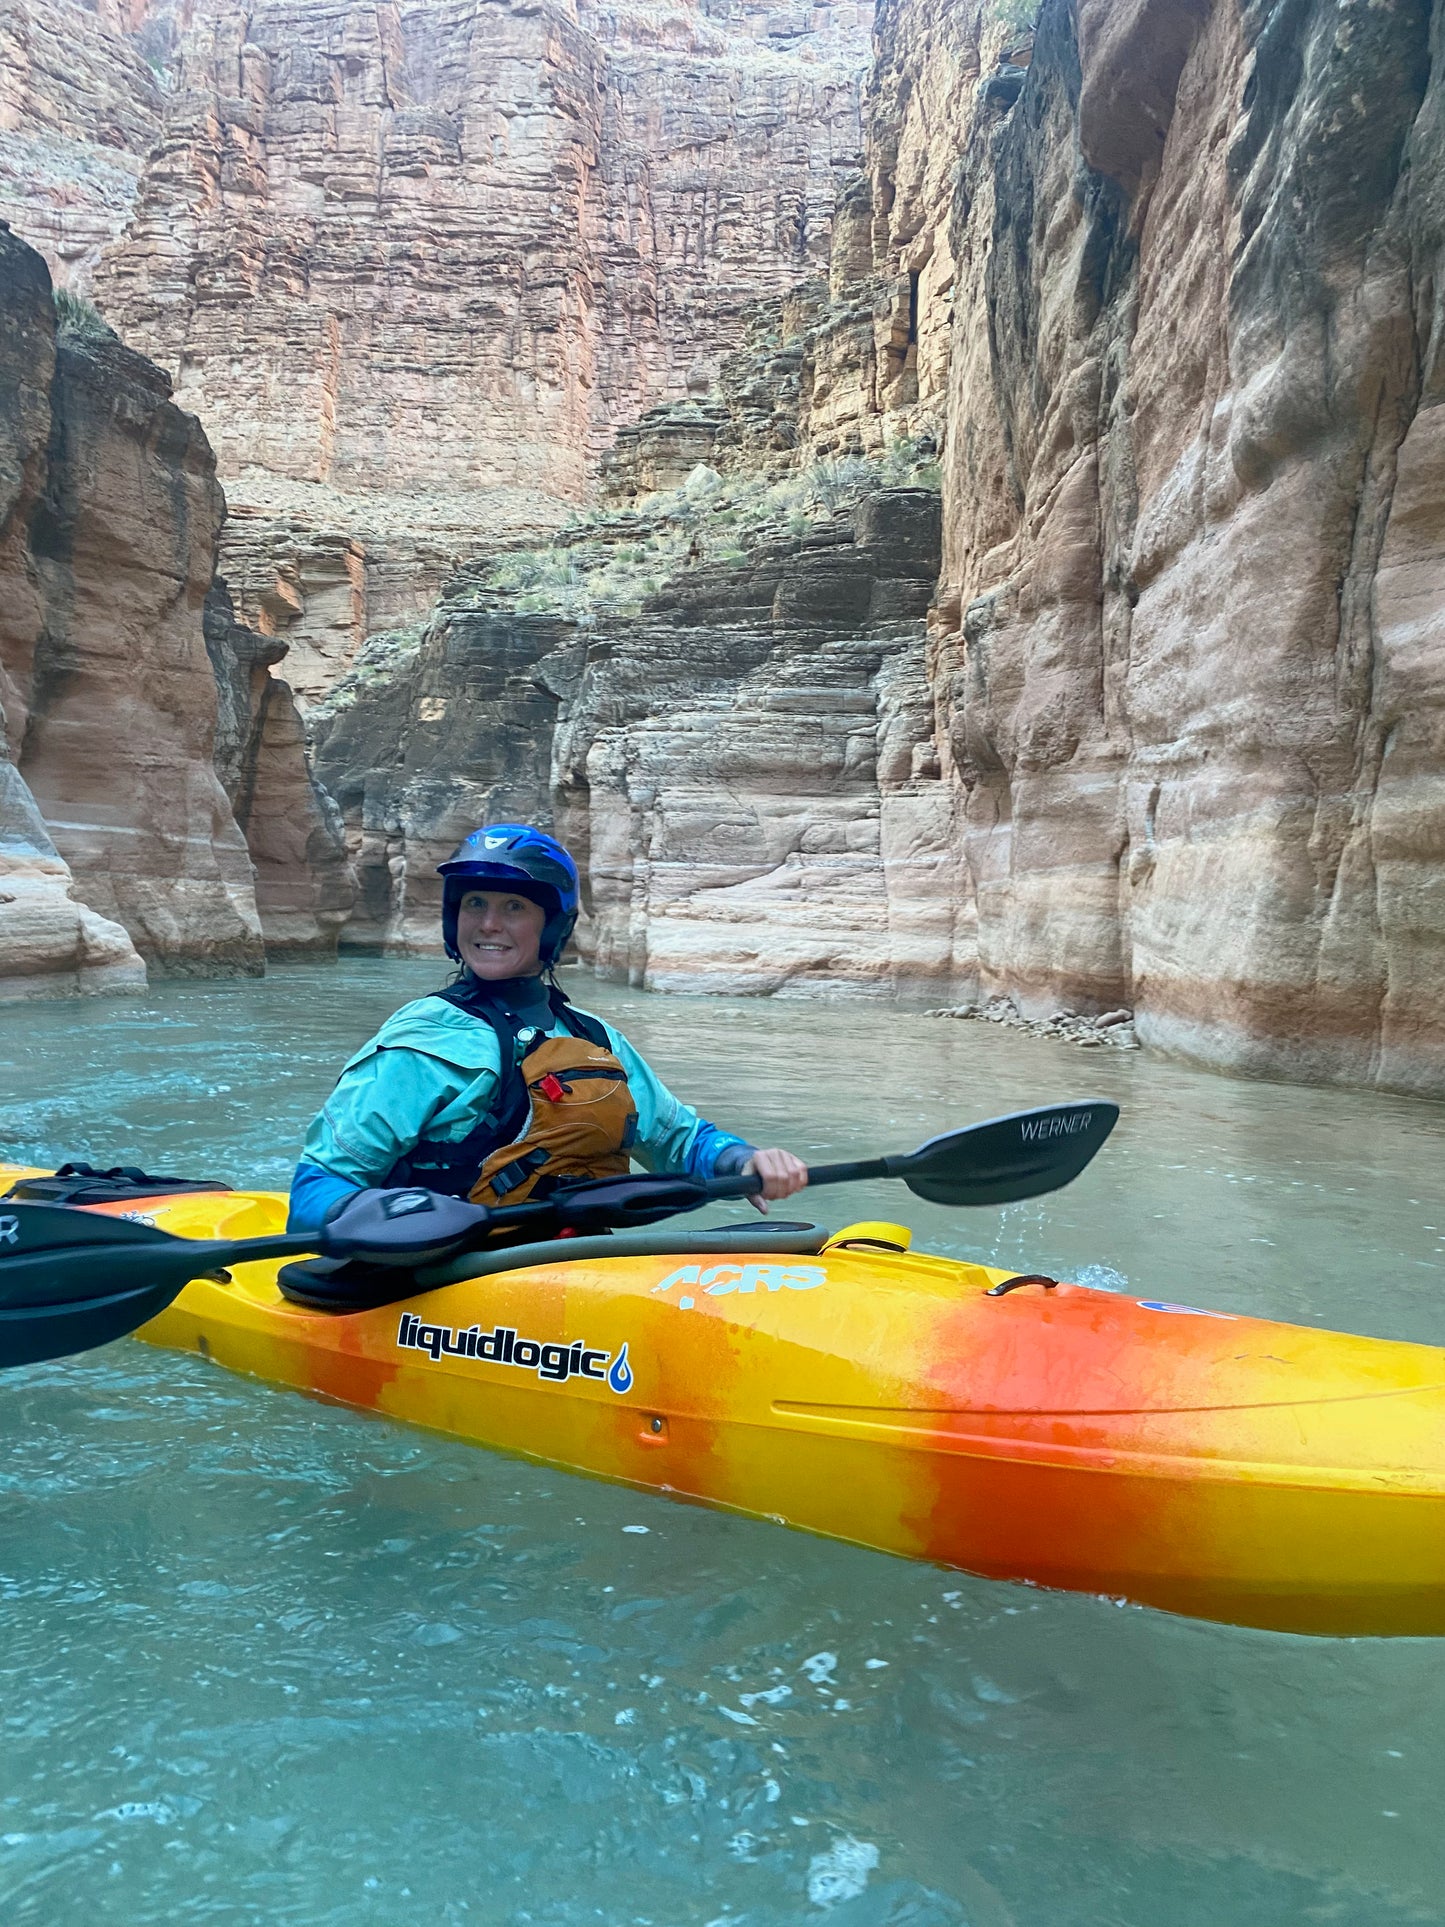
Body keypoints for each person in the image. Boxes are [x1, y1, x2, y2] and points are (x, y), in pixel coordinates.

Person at [288, 824, 809, 1234]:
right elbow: (317, 1190)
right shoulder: (423, 1037)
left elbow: (680, 1140)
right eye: (475, 904)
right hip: (443, 1278)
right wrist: (394, 1215)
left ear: (553, 926)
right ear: (454, 918)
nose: (489, 924)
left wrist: (743, 1159)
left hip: (564, 1264)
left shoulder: (594, 1039)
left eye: (514, 907)